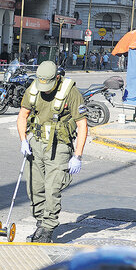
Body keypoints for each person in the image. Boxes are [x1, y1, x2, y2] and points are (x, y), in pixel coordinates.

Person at [17, 61, 88, 243]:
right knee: (34, 188)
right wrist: (23, 140)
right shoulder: (34, 88)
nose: (45, 89)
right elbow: (23, 115)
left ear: (57, 78)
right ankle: (40, 224)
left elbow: (82, 124)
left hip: (59, 145)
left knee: (52, 188)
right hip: (37, 144)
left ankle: (48, 229)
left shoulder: (70, 91)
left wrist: (77, 156)